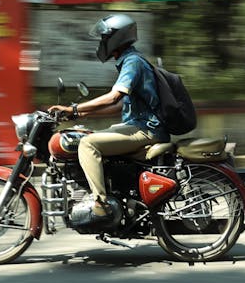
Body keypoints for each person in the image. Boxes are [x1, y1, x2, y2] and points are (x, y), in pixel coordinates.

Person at [48, 14, 169, 219]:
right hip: (140, 126)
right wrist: (78, 116)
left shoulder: (133, 62)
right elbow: (119, 106)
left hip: (147, 129)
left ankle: (101, 203)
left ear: (117, 38)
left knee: (88, 144)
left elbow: (113, 98)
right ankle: (119, 193)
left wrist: (74, 109)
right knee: (94, 135)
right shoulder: (131, 60)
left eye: (104, 38)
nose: (102, 42)